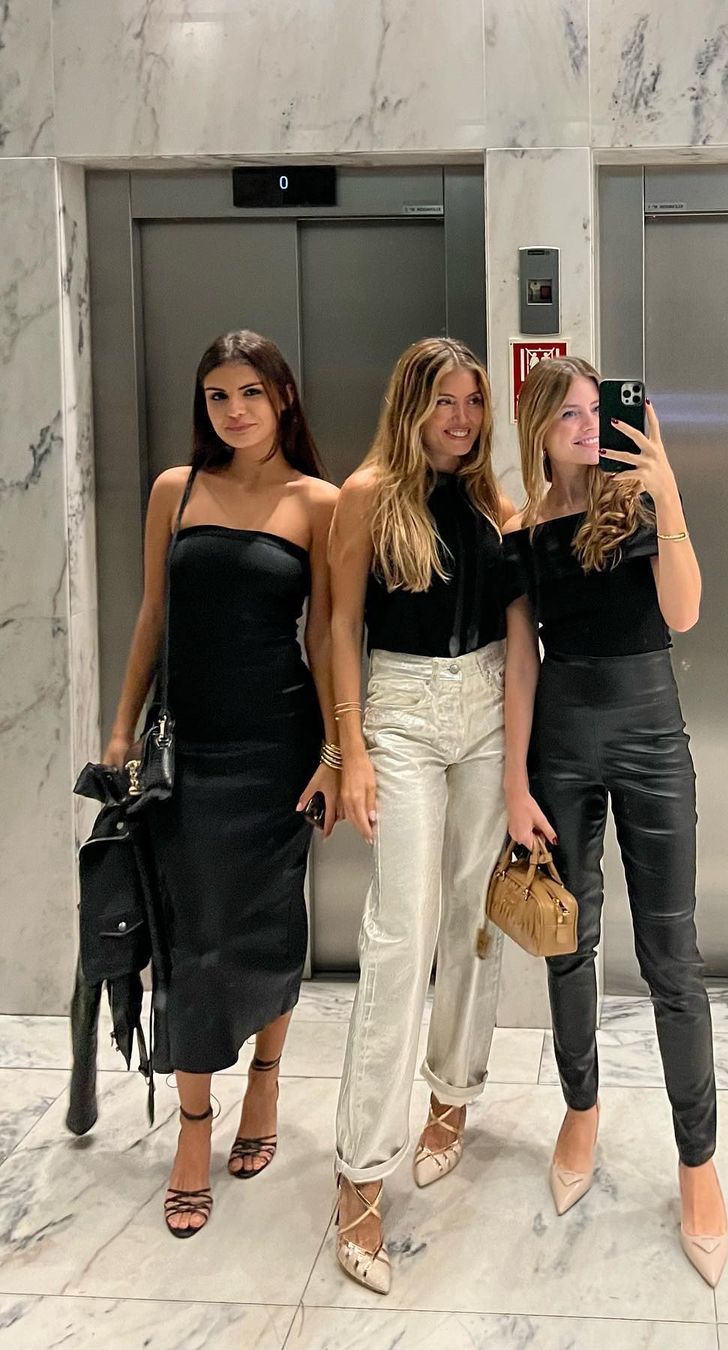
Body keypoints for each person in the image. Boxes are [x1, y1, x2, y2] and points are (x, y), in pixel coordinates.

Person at [102, 330, 340, 1237]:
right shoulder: (177, 489)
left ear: (282, 398)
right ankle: (193, 1127)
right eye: (217, 396)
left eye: (250, 393)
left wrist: (335, 752)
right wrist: (121, 726)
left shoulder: (317, 501)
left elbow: (327, 635)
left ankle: (266, 1084)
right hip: (189, 750)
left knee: (270, 923)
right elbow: (152, 614)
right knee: (193, 935)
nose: (235, 411)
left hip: (279, 745)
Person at [501, 356, 728, 1286]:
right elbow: (522, 661)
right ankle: (581, 1109)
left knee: (673, 954)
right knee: (569, 941)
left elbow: (685, 611)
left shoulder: (636, 504)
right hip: (560, 743)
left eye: (598, 410)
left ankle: (697, 1160)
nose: (589, 426)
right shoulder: (521, 532)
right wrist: (513, 783)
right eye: (569, 415)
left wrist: (666, 489)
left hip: (650, 736)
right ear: (538, 429)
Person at [329, 337, 514, 1294]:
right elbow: (337, 626)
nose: (462, 419)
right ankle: (360, 1169)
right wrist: (348, 749)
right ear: (411, 406)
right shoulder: (367, 494)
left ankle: (453, 1094)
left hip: (486, 705)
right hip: (399, 709)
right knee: (400, 932)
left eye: (474, 401)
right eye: (445, 401)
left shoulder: (487, 496)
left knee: (474, 914)